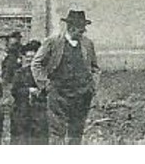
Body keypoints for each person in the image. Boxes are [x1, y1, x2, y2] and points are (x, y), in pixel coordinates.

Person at [32, 9, 99, 144]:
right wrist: (45, 84)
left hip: (82, 95)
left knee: (77, 131)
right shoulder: (53, 42)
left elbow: (95, 68)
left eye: (83, 29)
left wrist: (92, 87)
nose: (82, 33)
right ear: (71, 27)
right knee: (57, 132)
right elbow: (36, 64)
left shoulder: (87, 44)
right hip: (58, 94)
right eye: (80, 30)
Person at [9, 40, 46, 144]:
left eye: (33, 58)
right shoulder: (20, 73)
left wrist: (41, 91)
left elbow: (50, 89)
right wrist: (28, 90)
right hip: (22, 112)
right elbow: (14, 91)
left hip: (39, 112)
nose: (30, 60)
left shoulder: (44, 73)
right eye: (28, 58)